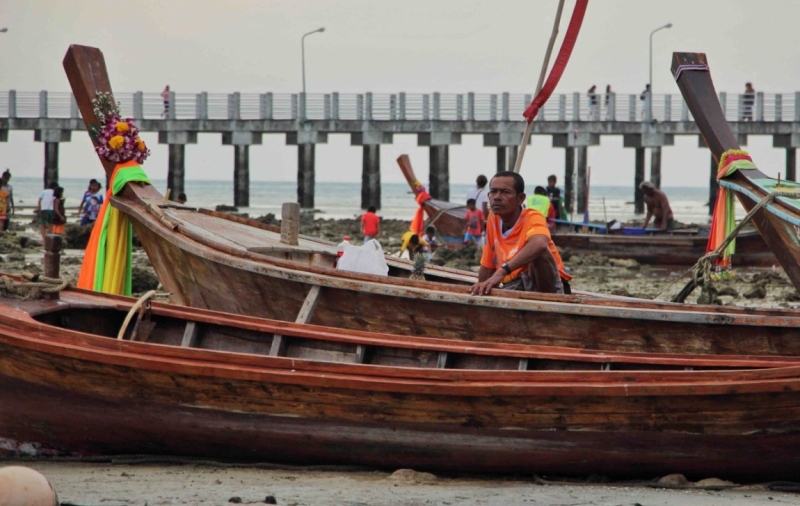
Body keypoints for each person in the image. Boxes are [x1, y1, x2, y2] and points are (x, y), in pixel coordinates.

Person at [471, 171, 572, 296]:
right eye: (493, 191)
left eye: (505, 192)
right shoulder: (493, 218)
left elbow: (539, 244)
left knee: (539, 253)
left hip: (546, 285)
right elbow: (488, 264)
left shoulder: (532, 217)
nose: (497, 196)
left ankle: (544, 304)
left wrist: (503, 271)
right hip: (515, 284)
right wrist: (481, 291)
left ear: (520, 198)